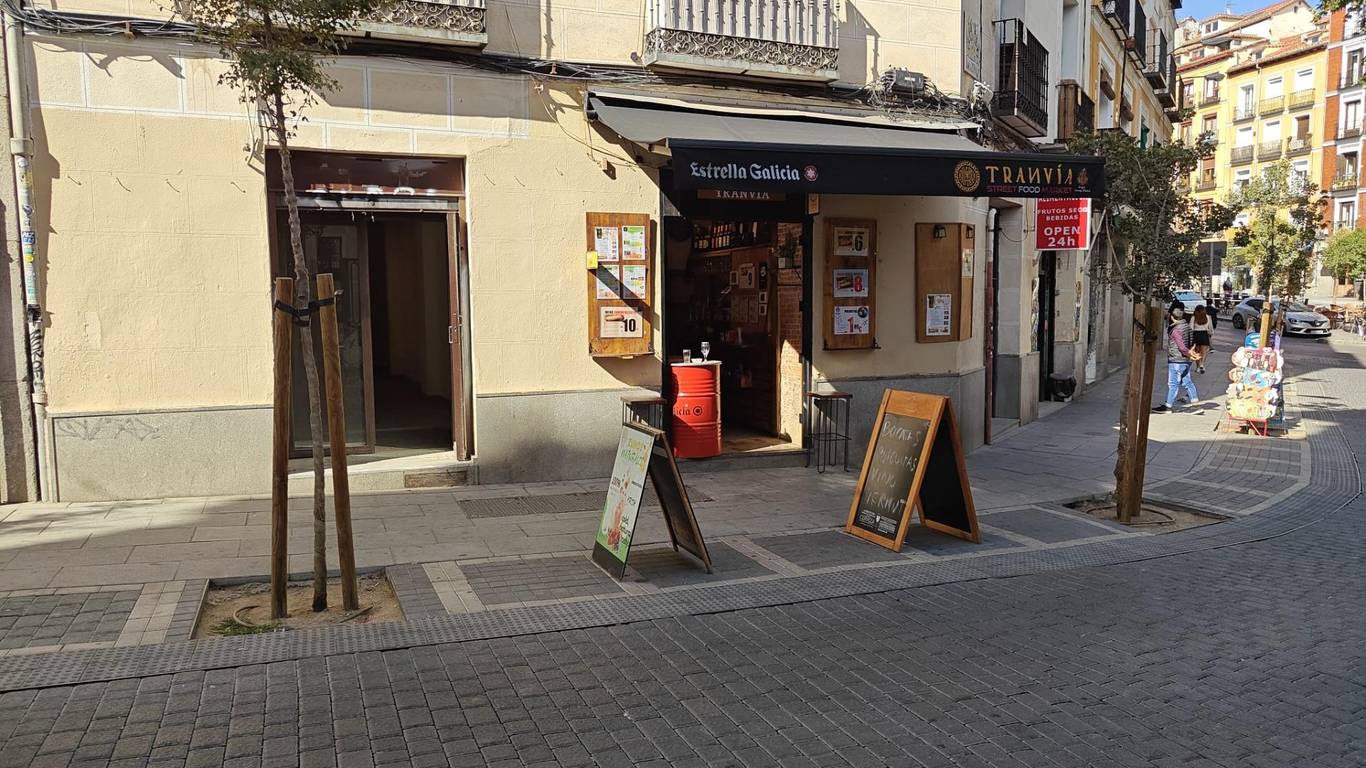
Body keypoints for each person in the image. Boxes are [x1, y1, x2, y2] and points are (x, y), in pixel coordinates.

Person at [1153, 307, 1199, 413]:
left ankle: (1168, 406)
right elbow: (1192, 342)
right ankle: (1196, 405)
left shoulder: (1175, 330)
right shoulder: (1187, 327)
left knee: (1173, 383)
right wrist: (1191, 354)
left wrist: (1188, 353)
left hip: (1176, 360)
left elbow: (1181, 347)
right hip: (1186, 360)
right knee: (1187, 382)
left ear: (1172, 317)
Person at [1190, 305, 1214, 374]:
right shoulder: (1208, 317)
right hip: (1204, 334)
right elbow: (1210, 328)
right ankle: (1202, 364)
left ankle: (1198, 367)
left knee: (1197, 352)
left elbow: (1191, 328)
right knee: (1204, 352)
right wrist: (1211, 333)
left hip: (1196, 335)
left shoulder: (1194, 317)